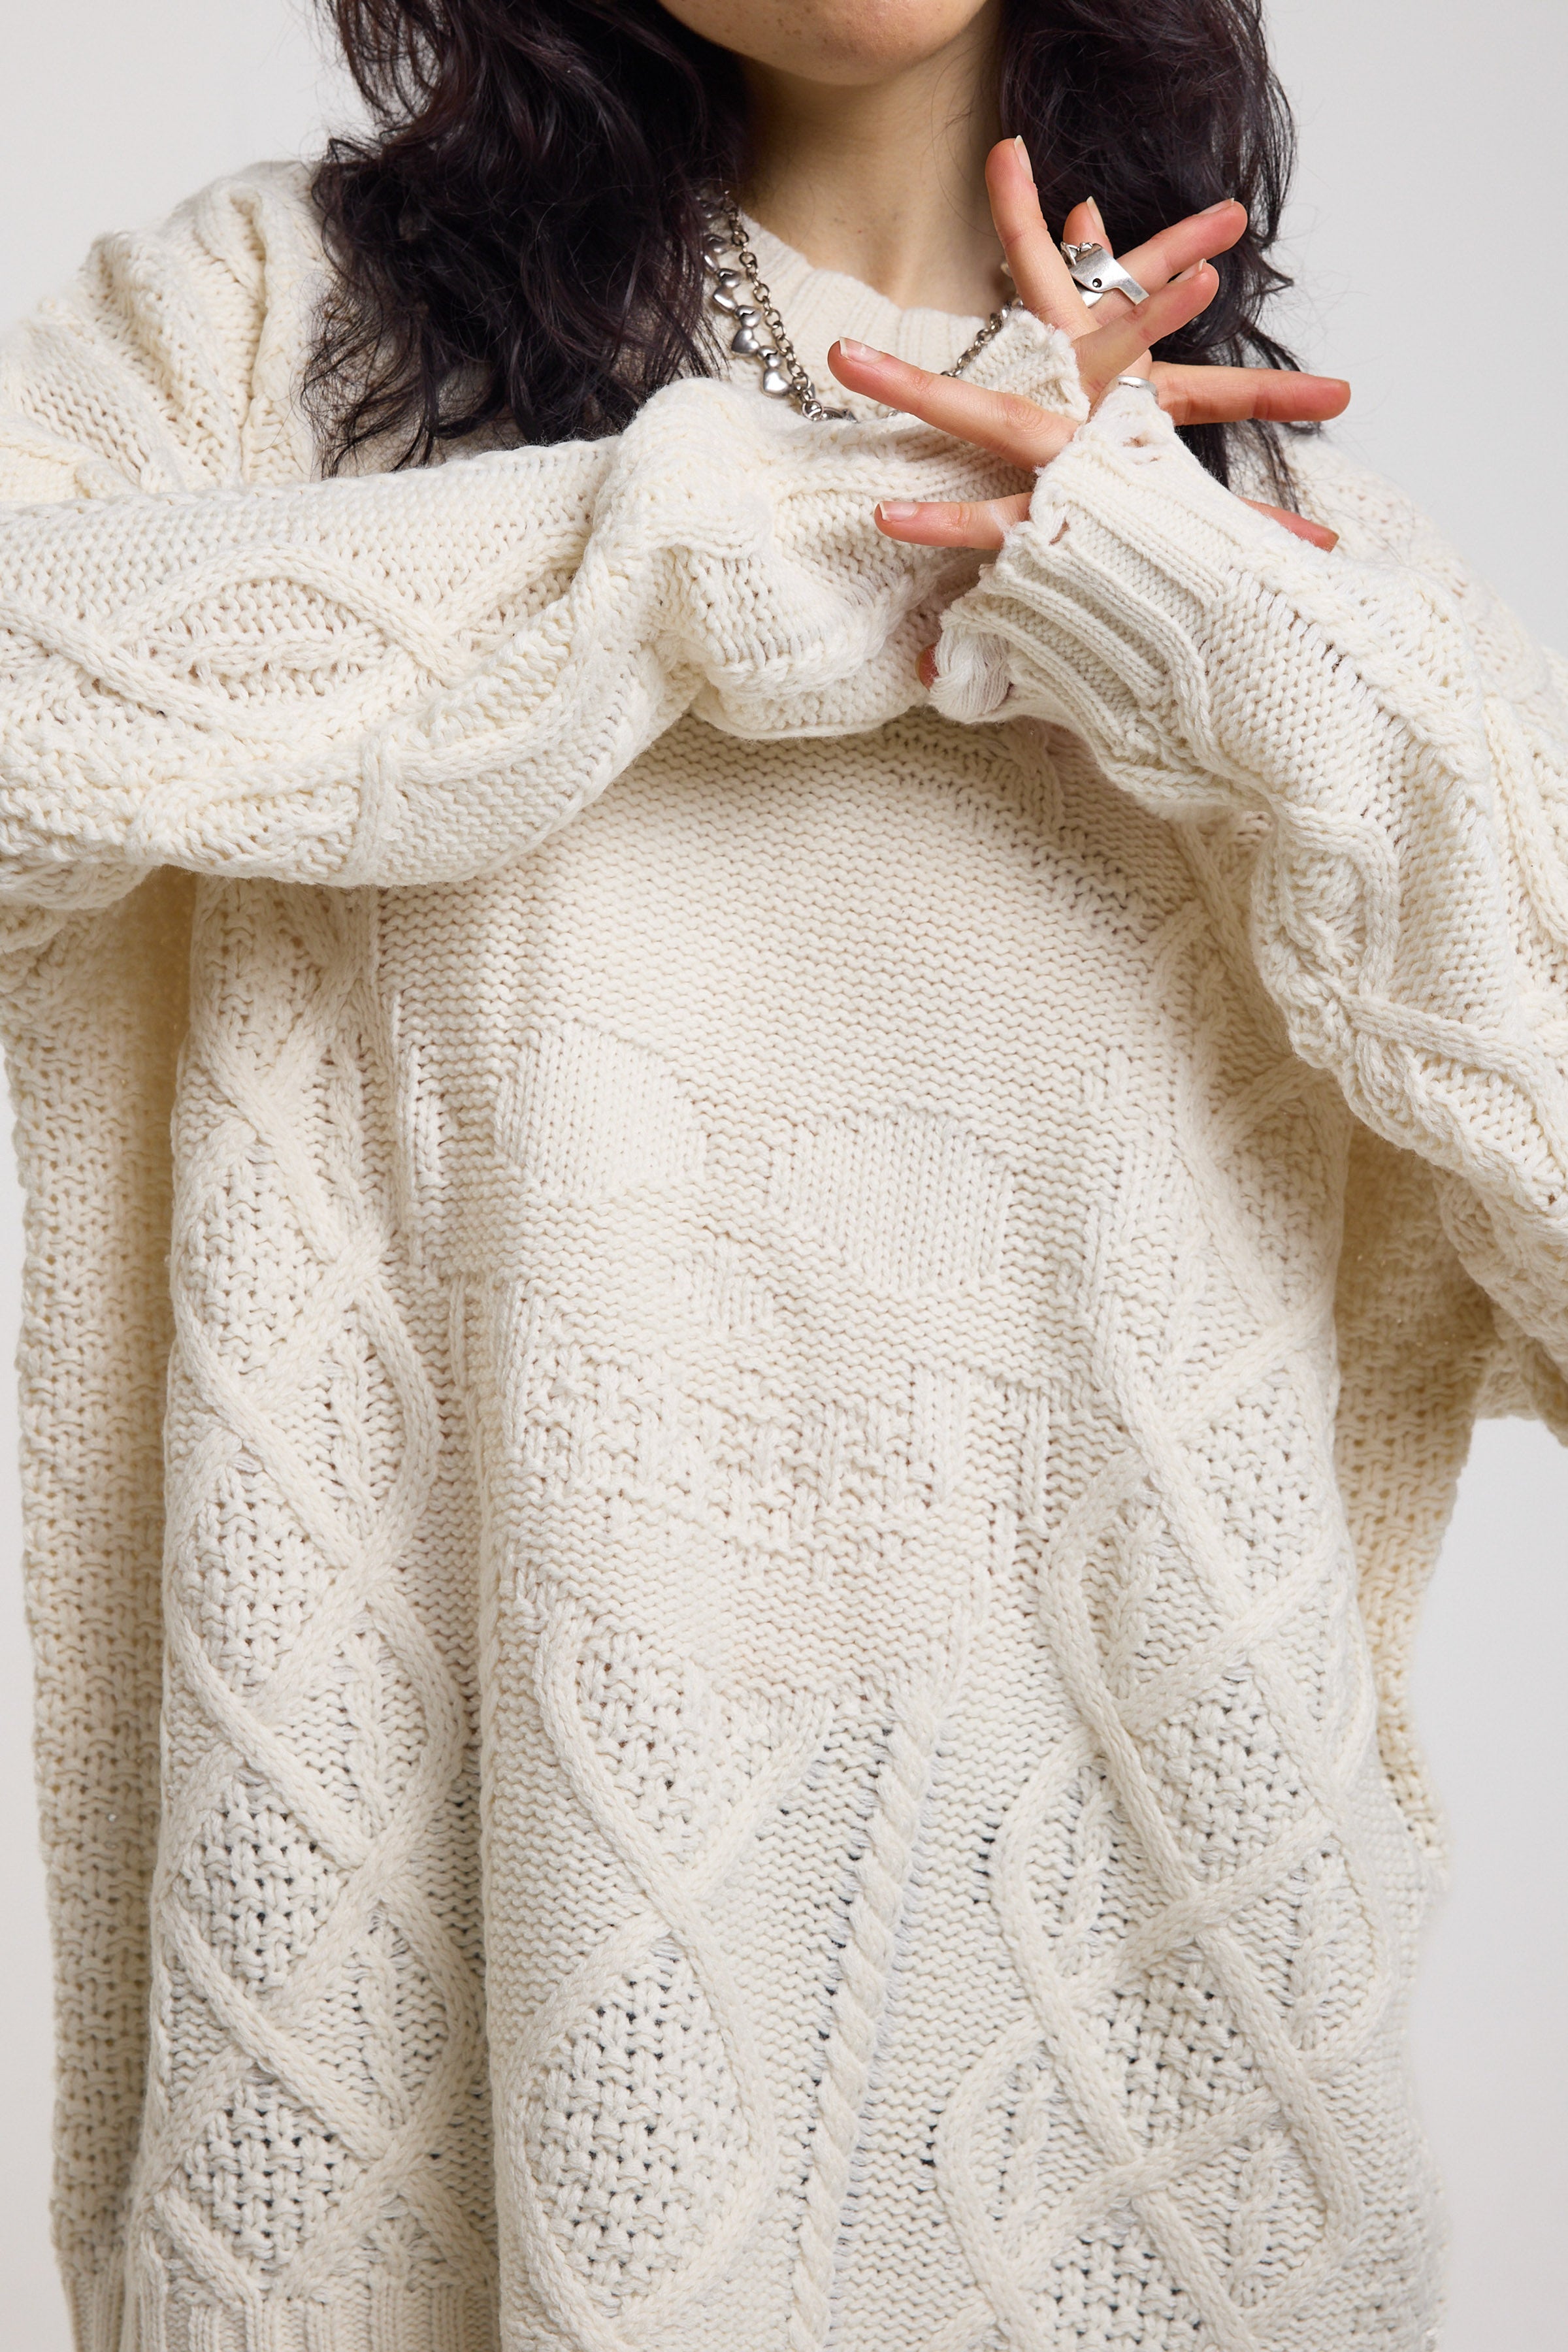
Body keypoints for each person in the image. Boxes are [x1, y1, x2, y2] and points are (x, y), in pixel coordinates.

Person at [0, 2, 1561, 2348]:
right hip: (413, 2175)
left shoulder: (1310, 588)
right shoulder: (256, 353)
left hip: (1144, 2209)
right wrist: (766, 537)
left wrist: (1253, 674)